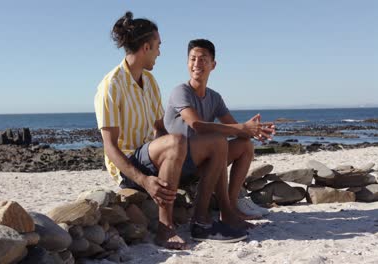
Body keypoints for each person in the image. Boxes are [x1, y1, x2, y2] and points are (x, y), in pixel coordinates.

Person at [95, 13, 247, 249]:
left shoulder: (150, 81)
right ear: (146, 47)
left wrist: (181, 163)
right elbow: (110, 148)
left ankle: (201, 220)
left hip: (152, 156)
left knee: (217, 141)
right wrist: (145, 181)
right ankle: (165, 229)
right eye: (158, 47)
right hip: (130, 166)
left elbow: (159, 128)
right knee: (176, 141)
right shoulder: (111, 86)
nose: (159, 53)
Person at [164, 39, 276, 229]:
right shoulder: (180, 91)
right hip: (178, 163)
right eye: (193, 59)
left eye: (203, 59)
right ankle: (207, 214)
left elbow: (235, 127)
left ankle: (230, 208)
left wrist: (256, 131)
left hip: (205, 161)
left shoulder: (214, 97)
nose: (197, 64)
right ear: (187, 62)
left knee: (244, 145)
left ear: (213, 65)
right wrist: (242, 128)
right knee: (218, 141)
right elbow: (197, 125)